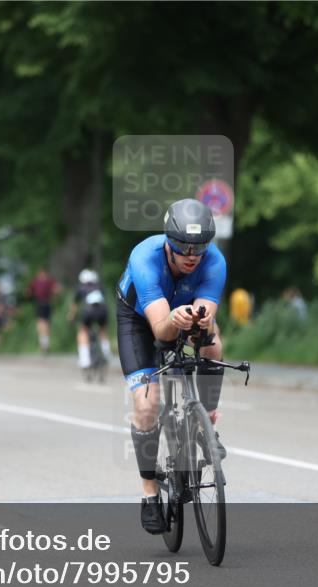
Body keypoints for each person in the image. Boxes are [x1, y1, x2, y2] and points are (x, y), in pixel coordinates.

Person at [116, 198, 228, 535]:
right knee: (148, 405)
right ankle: (149, 493)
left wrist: (200, 326)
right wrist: (174, 320)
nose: (192, 254)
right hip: (140, 320)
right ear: (168, 242)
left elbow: (206, 322)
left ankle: (206, 423)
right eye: (183, 246)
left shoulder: (215, 261)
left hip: (183, 312)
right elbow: (162, 332)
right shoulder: (145, 259)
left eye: (200, 247)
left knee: (214, 344)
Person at [68, 268, 111, 369]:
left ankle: (85, 360)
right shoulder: (99, 286)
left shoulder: (80, 288)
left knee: (83, 331)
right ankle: (106, 353)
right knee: (102, 330)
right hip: (102, 310)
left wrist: (72, 316)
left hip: (89, 311)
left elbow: (74, 306)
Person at [26, 268, 60, 354]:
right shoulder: (37, 282)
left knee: (43, 324)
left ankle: (44, 344)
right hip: (41, 304)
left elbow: (57, 289)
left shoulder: (48, 281)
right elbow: (28, 291)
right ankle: (44, 344)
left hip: (45, 304)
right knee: (42, 325)